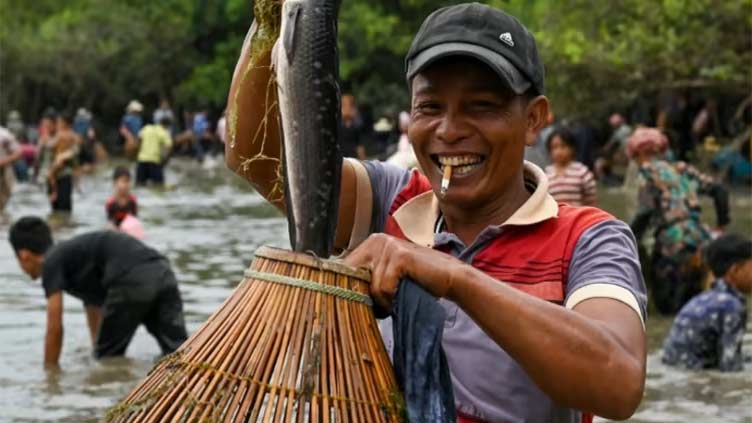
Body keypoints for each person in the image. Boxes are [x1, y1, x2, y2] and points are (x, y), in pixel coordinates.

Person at [227, 3, 647, 421]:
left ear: (534, 119)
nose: (449, 130)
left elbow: (620, 383)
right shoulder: (389, 198)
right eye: (430, 108)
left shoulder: (588, 237)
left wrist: (452, 277)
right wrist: (271, 22)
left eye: (481, 106)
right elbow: (253, 156)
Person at [8, 216, 187, 366]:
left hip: (130, 280)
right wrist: (97, 346)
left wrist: (50, 377)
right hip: (163, 273)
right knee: (179, 352)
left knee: (108, 362)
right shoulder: (75, 258)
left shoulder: (51, 263)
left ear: (24, 255)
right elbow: (92, 304)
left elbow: (54, 328)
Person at [628, 127, 730, 315]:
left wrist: (628, 236)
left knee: (669, 307)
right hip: (701, 236)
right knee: (698, 302)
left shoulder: (647, 172)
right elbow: (719, 190)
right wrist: (722, 224)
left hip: (672, 242)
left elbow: (646, 210)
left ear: (638, 153)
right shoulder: (681, 168)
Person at [661, 234, 751, 372]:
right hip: (693, 378)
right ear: (735, 270)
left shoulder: (704, 298)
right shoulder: (731, 306)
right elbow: (731, 368)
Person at [545, 127, 597, 206]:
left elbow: (591, 201)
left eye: (563, 146)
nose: (558, 151)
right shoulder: (546, 175)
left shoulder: (582, 172)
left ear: (572, 148)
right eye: (554, 147)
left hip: (578, 217)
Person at [47, 113, 79, 213]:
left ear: (64, 124)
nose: (58, 124)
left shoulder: (60, 135)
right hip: (66, 171)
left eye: (59, 122)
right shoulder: (75, 136)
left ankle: (54, 192)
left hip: (60, 169)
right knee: (65, 208)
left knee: (50, 175)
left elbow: (50, 146)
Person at [135, 117, 173, 186]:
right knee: (159, 186)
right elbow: (169, 146)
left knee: (139, 185)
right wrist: (165, 160)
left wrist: (138, 152)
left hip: (142, 161)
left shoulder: (147, 128)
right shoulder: (163, 132)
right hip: (154, 162)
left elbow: (138, 139)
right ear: (167, 126)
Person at [0, 125, 22, 210]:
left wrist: (3, 161)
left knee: (5, 206)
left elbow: (18, 152)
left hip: (4, 176)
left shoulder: (4, 134)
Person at [340, 94, 366, 160]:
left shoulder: (355, 126)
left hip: (353, 160)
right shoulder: (337, 126)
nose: (347, 109)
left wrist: (363, 162)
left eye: (350, 106)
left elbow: (360, 146)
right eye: (344, 106)